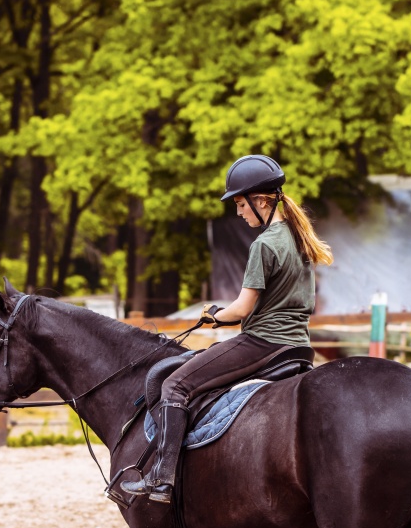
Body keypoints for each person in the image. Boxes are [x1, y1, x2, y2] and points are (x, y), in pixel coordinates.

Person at [122, 154, 333, 504]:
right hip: (298, 345)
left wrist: (214, 314)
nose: (239, 212)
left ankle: (161, 480)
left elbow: (242, 310)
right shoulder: (299, 239)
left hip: (263, 342)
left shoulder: (265, 245)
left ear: (260, 200)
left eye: (240, 203)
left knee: (174, 384)